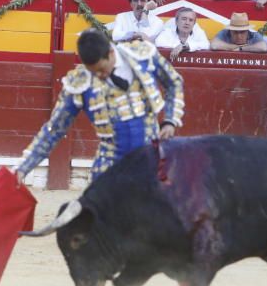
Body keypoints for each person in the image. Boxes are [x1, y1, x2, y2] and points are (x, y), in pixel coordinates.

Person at [14, 28, 184, 184]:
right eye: (93, 72)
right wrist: (23, 167)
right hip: (109, 166)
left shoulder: (142, 55)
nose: (100, 76)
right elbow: (55, 129)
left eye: (102, 70)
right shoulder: (80, 82)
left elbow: (174, 82)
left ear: (111, 52)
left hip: (150, 162)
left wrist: (170, 120)